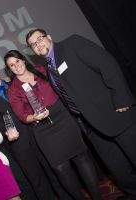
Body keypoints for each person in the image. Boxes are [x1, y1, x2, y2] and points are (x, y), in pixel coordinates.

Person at [26, 28, 136, 200]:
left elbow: (107, 64)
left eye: (39, 39)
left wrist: (122, 99)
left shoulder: (72, 44)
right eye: (33, 45)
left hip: (115, 112)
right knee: (117, 167)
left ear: (49, 37)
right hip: (91, 125)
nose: (37, 45)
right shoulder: (48, 68)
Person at [4, 50, 102, 200]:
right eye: (12, 65)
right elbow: (21, 114)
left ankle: (97, 197)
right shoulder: (13, 89)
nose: (16, 66)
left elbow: (61, 87)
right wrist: (33, 117)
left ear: (23, 60)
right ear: (9, 69)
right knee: (60, 168)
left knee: (82, 157)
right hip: (43, 129)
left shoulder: (41, 70)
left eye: (17, 61)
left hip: (63, 118)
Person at [0, 62, 74, 200]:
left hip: (38, 131)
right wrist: (7, 132)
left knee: (53, 169)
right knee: (36, 178)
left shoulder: (15, 84)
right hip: (18, 143)